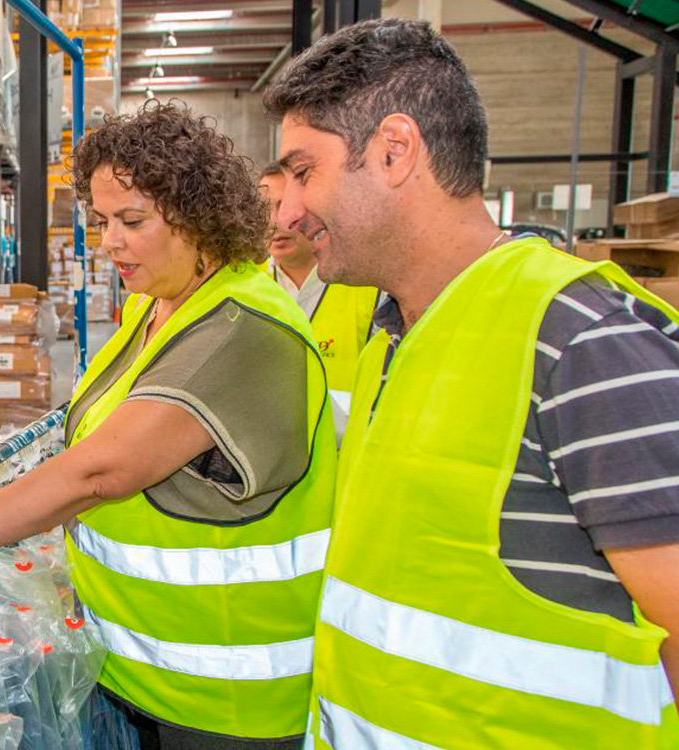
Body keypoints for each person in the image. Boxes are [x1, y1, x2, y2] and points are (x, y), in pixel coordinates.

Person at [0, 102, 337, 749]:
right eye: (103, 220)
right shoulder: (162, 305)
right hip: (139, 676)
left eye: (132, 221)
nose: (109, 242)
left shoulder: (240, 328)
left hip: (223, 698)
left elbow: (100, 469)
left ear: (200, 215)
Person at [264, 18, 679, 749]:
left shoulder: (579, 339)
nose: (288, 210)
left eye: (304, 172)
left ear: (394, 151)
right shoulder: (392, 335)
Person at [258, 162, 379, 399]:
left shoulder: (367, 284)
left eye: (284, 205)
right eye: (264, 209)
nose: (275, 221)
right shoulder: (243, 286)